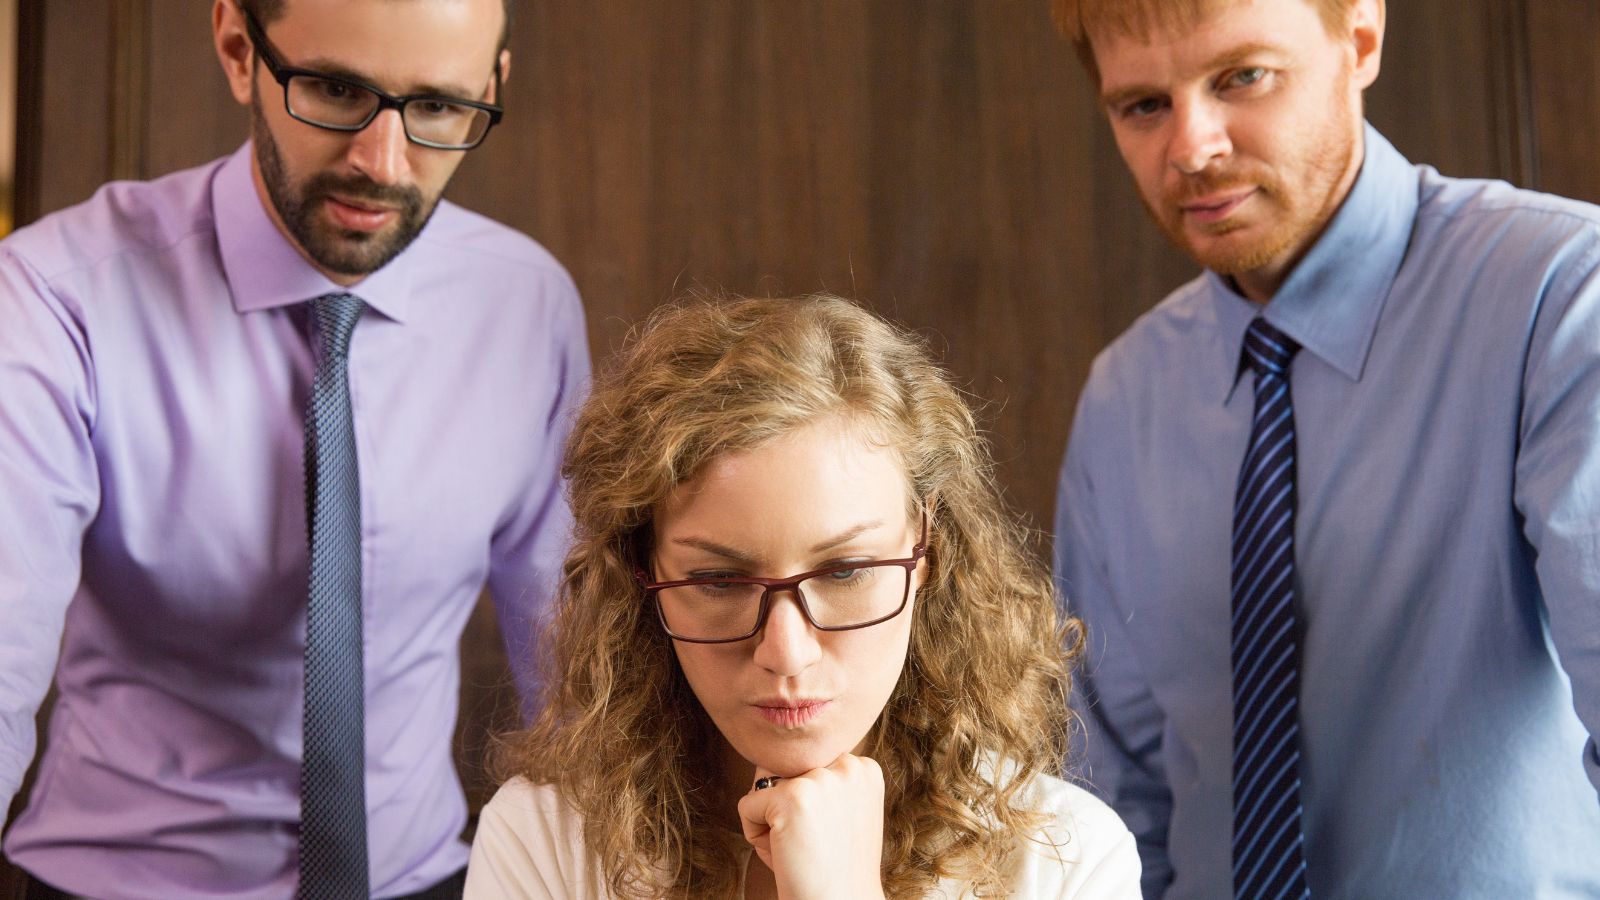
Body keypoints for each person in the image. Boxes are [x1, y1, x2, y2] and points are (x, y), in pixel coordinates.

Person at [0, 0, 589, 895]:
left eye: (438, 108)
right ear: (240, 49)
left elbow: (576, 674)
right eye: (336, 91)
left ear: (492, 85)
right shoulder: (56, 297)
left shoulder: (527, 306)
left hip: (421, 879)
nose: (382, 164)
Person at [1050, 0, 1600, 897]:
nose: (1192, 147)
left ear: (1361, 38)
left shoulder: (1563, 296)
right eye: (1144, 105)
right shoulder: (1124, 396)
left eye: (1243, 77)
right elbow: (1113, 812)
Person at [464, 295, 1141, 898]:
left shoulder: (1066, 863)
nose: (786, 654)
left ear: (926, 549)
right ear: (641, 573)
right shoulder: (543, 843)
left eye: (845, 572)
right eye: (719, 582)